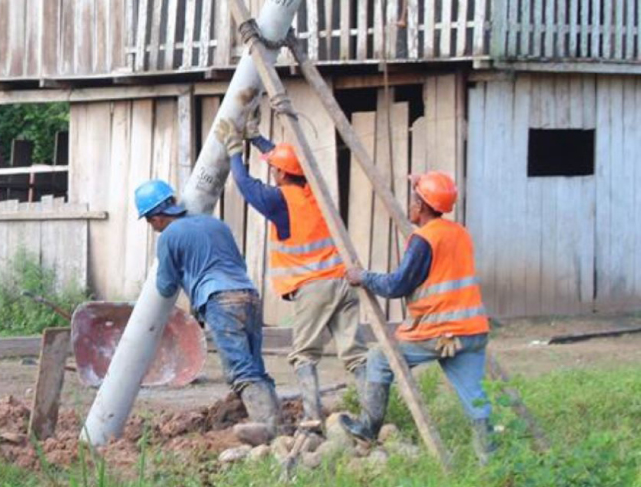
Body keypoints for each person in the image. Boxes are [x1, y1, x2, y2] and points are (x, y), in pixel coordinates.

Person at [214, 118, 367, 423]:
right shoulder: (314, 190)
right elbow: (290, 163)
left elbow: (246, 185)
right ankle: (371, 419)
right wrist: (257, 139)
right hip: (344, 280)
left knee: (303, 355)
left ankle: (312, 420)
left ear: (282, 174)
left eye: (274, 170)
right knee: (356, 355)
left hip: (314, 286)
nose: (273, 173)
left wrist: (234, 150)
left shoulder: (279, 200)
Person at [339, 172, 495, 462]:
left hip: (439, 332)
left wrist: (363, 277)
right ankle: (490, 460)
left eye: (413, 200)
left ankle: (368, 428)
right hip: (472, 331)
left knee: (379, 358)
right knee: (475, 397)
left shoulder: (425, 240)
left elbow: (397, 285)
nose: (409, 205)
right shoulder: (459, 233)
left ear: (421, 206)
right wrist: (422, 186)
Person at [135, 178, 280, 445]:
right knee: (255, 365)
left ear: (155, 218)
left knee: (240, 369)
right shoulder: (216, 224)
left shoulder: (169, 236)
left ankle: (265, 430)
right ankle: (276, 425)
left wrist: (182, 271)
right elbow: (239, 263)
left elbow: (166, 287)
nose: (152, 226)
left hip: (218, 299)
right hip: (248, 294)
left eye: (148, 221)